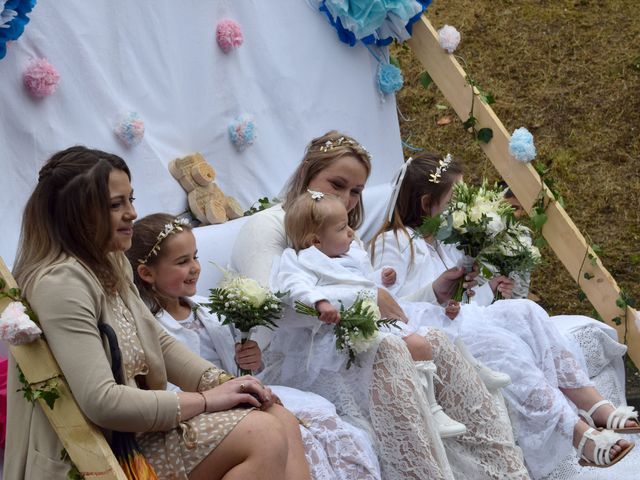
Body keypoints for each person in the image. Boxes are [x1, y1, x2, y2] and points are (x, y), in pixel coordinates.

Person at [231, 130, 531, 480]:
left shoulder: (343, 233)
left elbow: (383, 302)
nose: (346, 199)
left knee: (432, 340)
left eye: (355, 191)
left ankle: (506, 471)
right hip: (302, 356)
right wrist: (367, 297)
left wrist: (433, 292)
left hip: (352, 344)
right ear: (307, 173)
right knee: (390, 349)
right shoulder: (270, 225)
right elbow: (274, 310)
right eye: (337, 184)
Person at [6, 146, 311, 480]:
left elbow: (157, 341)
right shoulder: (62, 282)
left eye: (131, 200)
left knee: (278, 416)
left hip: (137, 432)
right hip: (105, 449)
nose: (132, 213)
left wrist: (228, 383)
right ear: (76, 214)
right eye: (115, 204)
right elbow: (101, 402)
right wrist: (207, 400)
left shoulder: (108, 261)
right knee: (262, 435)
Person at [369, 152, 638, 476]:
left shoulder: (440, 244)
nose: (459, 208)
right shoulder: (393, 243)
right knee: (504, 348)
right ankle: (577, 434)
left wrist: (461, 293)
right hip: (427, 332)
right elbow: (385, 306)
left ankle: (596, 406)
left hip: (451, 319)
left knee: (526, 310)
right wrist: (436, 292)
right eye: (453, 200)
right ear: (427, 204)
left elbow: (452, 298)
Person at [127, 212, 382, 480]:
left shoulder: (207, 309)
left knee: (317, 414)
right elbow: (164, 386)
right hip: (199, 407)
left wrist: (251, 358)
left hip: (233, 388)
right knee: (285, 427)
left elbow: (236, 365)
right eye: (182, 262)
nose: (194, 268)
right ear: (146, 273)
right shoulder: (151, 326)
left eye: (195, 257)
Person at [271, 190, 465, 437]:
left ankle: (466, 375)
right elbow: (293, 287)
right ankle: (431, 408)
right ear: (315, 241)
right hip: (342, 330)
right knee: (416, 344)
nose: (351, 232)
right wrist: (319, 302)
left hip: (373, 314)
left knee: (431, 323)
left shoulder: (347, 253)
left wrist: (381, 278)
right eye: (342, 228)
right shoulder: (299, 260)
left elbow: (362, 282)